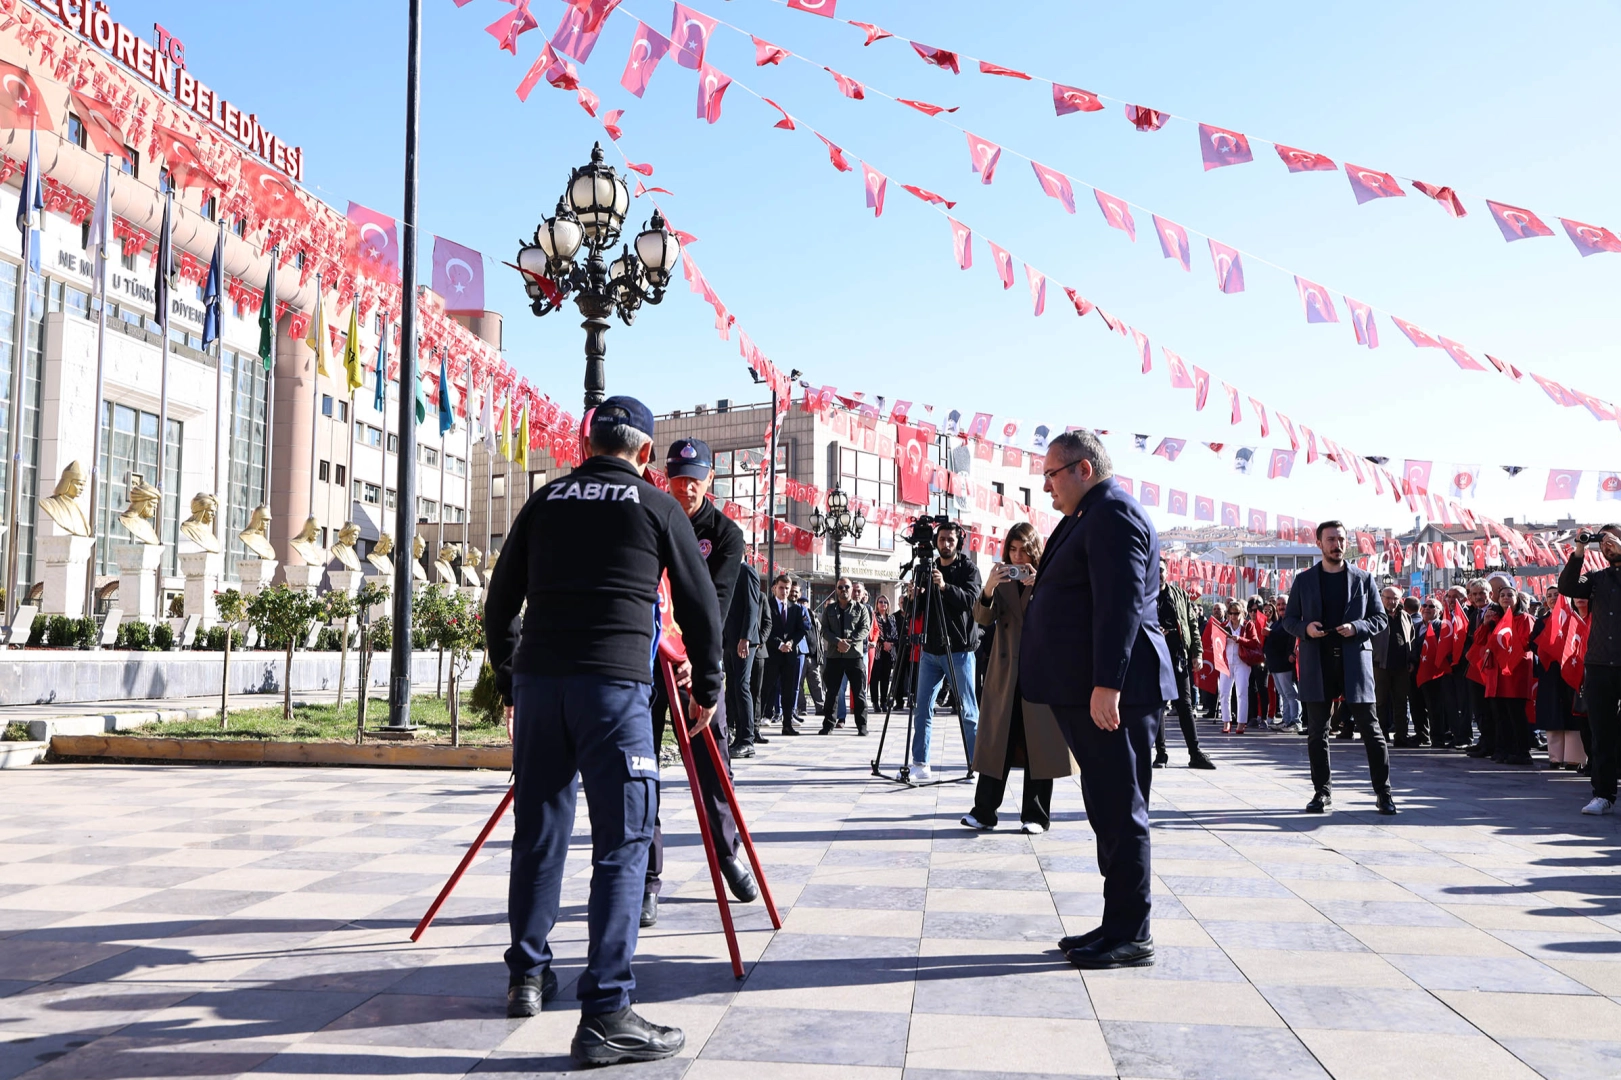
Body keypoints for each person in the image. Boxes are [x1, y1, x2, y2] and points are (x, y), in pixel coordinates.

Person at [484, 396, 720, 1064]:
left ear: (587, 445)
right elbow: (701, 605)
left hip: (540, 686)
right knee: (621, 844)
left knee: (538, 833)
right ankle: (607, 1010)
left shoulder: (545, 500)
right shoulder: (655, 506)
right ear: (646, 454)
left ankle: (526, 976)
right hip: (613, 690)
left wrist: (510, 680)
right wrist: (708, 686)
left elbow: (501, 602)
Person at [1022, 431, 1175, 970]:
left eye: (1051, 475)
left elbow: (1121, 605)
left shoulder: (1112, 514)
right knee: (1107, 809)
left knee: (1121, 810)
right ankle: (1117, 923)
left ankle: (1133, 933)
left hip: (1117, 693)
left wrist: (1107, 683)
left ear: (1082, 468)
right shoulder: (1089, 514)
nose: (1046, 488)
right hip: (1091, 690)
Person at [643, 438, 757, 928]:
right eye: (677, 478)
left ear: (710, 478)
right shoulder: (652, 519)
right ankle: (646, 878)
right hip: (647, 663)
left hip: (700, 664)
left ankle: (727, 852)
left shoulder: (726, 534)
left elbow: (715, 604)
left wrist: (695, 661)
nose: (686, 488)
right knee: (640, 772)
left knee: (714, 768)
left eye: (695, 478)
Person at [962, 522, 1077, 833]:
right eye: (1012, 550)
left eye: (1023, 550)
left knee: (1039, 743)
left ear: (1034, 550)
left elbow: (1066, 618)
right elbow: (982, 619)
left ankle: (1036, 815)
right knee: (996, 741)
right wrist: (988, 588)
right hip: (1005, 672)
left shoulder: (1050, 578)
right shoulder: (1000, 581)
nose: (1016, 556)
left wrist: (1041, 587)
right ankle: (984, 811)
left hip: (1041, 672)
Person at [1279, 521, 1396, 816]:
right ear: (1319, 543)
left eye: (1341, 539)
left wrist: (1356, 626)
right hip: (1317, 661)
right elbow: (1289, 620)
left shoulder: (1364, 578)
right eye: (1331, 539)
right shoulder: (1304, 581)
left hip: (1354, 661)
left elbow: (1380, 619)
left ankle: (1384, 793)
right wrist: (1306, 628)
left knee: (1371, 730)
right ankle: (1322, 792)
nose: (1337, 545)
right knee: (1317, 732)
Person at [908, 520, 983, 782]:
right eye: (942, 540)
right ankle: (920, 762)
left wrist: (943, 587)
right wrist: (914, 596)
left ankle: (976, 764)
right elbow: (918, 612)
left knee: (968, 710)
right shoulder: (928, 568)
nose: (946, 544)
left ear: (958, 542)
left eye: (950, 540)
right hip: (931, 649)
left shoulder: (969, 569)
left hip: (960, 650)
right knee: (922, 708)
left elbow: (971, 602)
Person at [1560, 524, 1621, 813]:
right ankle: (1603, 794)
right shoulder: (1598, 578)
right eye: (1603, 542)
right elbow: (1568, 587)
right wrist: (1580, 549)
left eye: (1613, 539)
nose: (1608, 546)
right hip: (1599, 663)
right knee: (1601, 732)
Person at [1153, 564, 1215, 769]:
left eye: (1161, 570)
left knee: (1185, 705)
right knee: (1159, 706)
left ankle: (1195, 753)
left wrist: (1197, 653)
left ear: (1166, 573)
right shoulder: (1144, 594)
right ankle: (1161, 754)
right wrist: (1154, 631)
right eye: (1154, 569)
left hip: (1179, 656)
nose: (1159, 574)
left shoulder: (1179, 594)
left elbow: (1192, 625)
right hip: (1155, 658)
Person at [1534, 587, 1582, 770]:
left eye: (1557, 595)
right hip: (1550, 673)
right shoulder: (1541, 622)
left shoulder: (1575, 618)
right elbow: (1533, 643)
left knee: (1572, 714)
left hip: (1571, 671)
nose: (1553, 598)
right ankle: (1555, 757)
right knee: (1552, 714)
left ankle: (1573, 759)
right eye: (1549, 596)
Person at [819, 577, 872, 735]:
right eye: (840, 587)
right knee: (832, 693)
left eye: (846, 587)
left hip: (854, 656)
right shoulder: (829, 609)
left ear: (851, 589)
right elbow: (824, 630)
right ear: (836, 590)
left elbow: (865, 628)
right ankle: (828, 725)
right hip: (834, 656)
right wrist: (837, 642)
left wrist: (849, 641)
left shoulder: (861, 609)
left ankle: (862, 726)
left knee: (859, 692)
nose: (844, 590)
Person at [727, 558, 763, 758]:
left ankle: (748, 739)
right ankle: (739, 737)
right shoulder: (728, 570)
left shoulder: (746, 571)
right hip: (730, 639)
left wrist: (745, 638)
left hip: (743, 640)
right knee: (733, 689)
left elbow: (752, 607)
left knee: (742, 686)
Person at [1372, 585, 1416, 745]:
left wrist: (1411, 660)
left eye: (1395, 598)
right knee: (1380, 703)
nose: (1392, 602)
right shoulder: (1374, 615)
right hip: (1380, 666)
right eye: (1388, 598)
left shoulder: (1405, 616)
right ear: (1381, 598)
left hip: (1401, 667)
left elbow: (1411, 639)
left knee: (1401, 703)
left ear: (1401, 599)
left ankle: (1401, 736)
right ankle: (1381, 736)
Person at [761, 575, 806, 733]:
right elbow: (765, 629)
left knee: (788, 690)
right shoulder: (768, 604)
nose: (784, 591)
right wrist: (779, 643)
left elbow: (801, 630)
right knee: (766, 689)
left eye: (787, 588)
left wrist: (791, 643)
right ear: (775, 588)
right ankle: (756, 725)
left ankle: (787, 724)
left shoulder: (796, 608)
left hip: (789, 655)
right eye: (781, 588)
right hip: (772, 654)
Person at [1412, 596, 1449, 748]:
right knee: (1416, 705)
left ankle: (1437, 737)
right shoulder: (1415, 626)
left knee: (1434, 707)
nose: (1427, 608)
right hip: (1415, 671)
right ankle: (1421, 734)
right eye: (1425, 605)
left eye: (1432, 606)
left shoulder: (1443, 627)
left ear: (1439, 612)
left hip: (1434, 673)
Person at [1264, 595, 1302, 733]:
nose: (1280, 606)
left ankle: (1295, 721)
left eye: (1283, 604)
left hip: (1284, 664)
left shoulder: (1290, 621)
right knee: (1283, 694)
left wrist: (1271, 634)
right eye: (1279, 604)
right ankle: (1287, 720)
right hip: (1275, 664)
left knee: (1290, 693)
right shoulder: (1278, 622)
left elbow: (1289, 639)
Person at [1217, 601, 1252, 734]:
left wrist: (1240, 639)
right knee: (1224, 693)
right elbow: (1216, 642)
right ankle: (1226, 721)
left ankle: (1241, 723)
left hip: (1241, 662)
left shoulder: (1248, 625)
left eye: (1236, 613)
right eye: (1231, 613)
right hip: (1226, 662)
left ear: (1242, 613)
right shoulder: (1224, 625)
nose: (1233, 616)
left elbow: (1254, 642)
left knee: (1242, 692)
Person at [795, 589, 824, 718]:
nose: (803, 604)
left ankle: (820, 707)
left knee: (816, 683)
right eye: (800, 602)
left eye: (805, 602)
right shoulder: (795, 615)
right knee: (799, 684)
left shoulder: (814, 617)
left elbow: (819, 636)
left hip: (813, 656)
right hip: (800, 655)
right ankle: (802, 708)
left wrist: (819, 654)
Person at [870, 594, 898, 707]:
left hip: (888, 651)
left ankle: (884, 702)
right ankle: (875, 702)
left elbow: (895, 633)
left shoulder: (891, 618)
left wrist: (891, 643)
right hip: (877, 651)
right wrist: (883, 642)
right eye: (880, 602)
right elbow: (874, 632)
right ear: (877, 604)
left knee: (885, 678)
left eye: (885, 602)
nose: (883, 604)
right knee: (875, 678)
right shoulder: (874, 617)